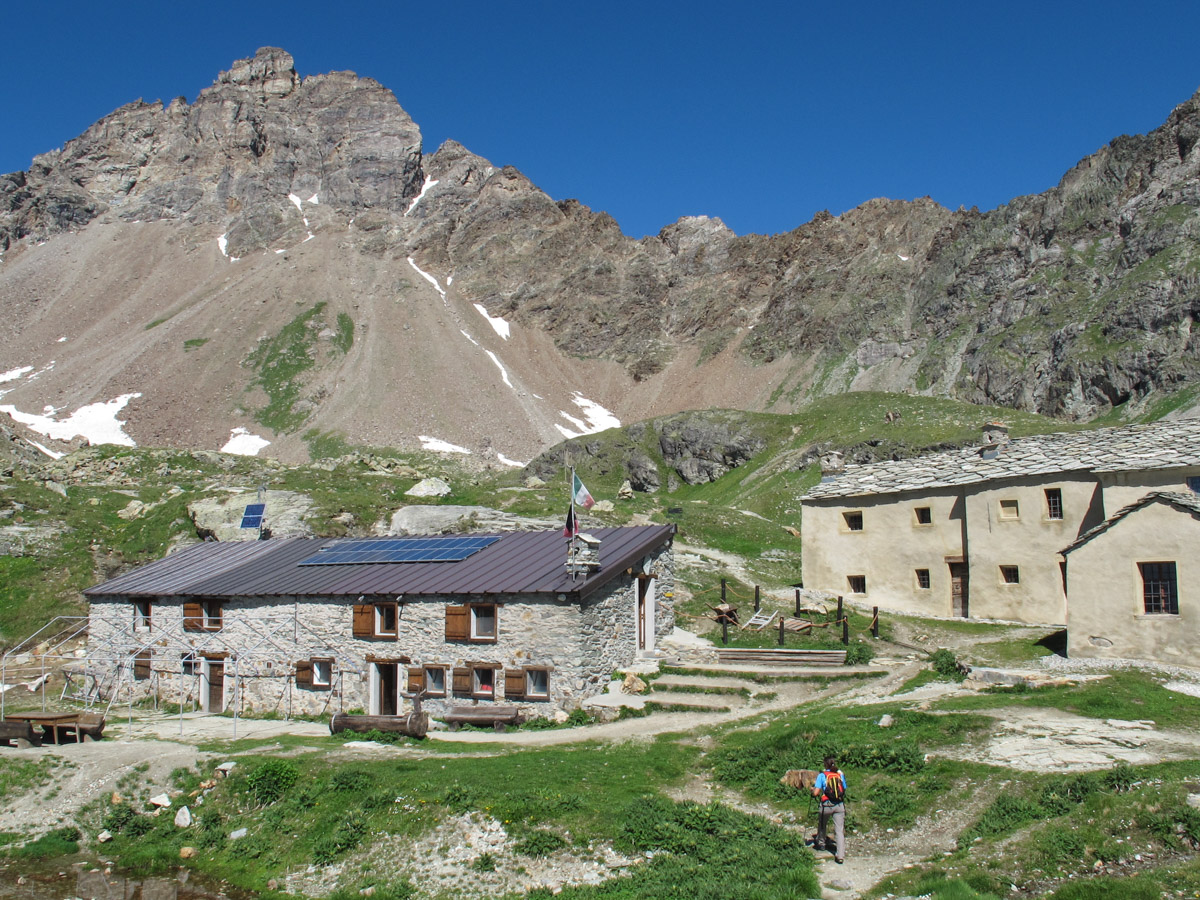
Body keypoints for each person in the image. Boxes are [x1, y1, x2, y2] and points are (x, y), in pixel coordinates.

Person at [811, 755, 847, 863]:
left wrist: (812, 791)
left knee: (822, 824)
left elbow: (816, 793)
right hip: (839, 805)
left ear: (825, 764)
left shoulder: (822, 775)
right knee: (839, 830)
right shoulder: (840, 774)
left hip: (826, 805)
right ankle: (840, 855)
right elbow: (844, 788)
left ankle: (821, 843)